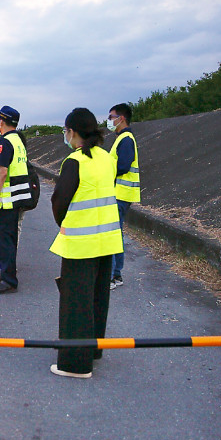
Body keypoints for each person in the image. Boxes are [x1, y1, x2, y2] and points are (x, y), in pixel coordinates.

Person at [49, 107, 123, 378]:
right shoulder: (106, 157)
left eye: (66, 131)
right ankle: (93, 349)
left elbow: (59, 201)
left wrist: (66, 225)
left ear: (73, 132)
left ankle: (75, 364)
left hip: (82, 242)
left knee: (75, 302)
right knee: (97, 298)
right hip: (107, 240)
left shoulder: (75, 161)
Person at [0, 106, 31, 294]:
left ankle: (9, 280)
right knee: (10, 240)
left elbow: (2, 172)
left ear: (2, 122)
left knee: (4, 240)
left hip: (6, 201)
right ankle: (6, 272)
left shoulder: (5, 142)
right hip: (18, 199)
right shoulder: (18, 140)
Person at [106, 103, 140, 290]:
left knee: (112, 235)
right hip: (122, 193)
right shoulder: (123, 138)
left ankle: (110, 277)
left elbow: (123, 166)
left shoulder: (126, 139)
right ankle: (116, 274)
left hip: (120, 193)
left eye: (112, 117)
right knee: (116, 234)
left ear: (122, 118)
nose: (109, 121)